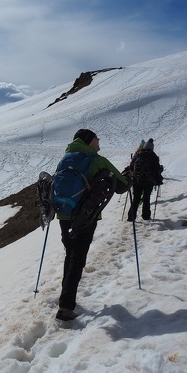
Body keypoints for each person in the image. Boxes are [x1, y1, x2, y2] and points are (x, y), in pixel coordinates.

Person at [55, 129, 132, 322]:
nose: (99, 142)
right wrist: (130, 177)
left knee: (70, 254)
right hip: (85, 216)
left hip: (64, 213)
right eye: (97, 139)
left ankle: (66, 295)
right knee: (78, 258)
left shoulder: (64, 159)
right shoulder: (96, 160)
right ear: (89, 141)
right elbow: (121, 186)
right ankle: (65, 307)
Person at [127, 138, 163, 222]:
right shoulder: (153, 156)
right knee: (146, 198)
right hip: (149, 181)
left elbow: (131, 167)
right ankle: (146, 216)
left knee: (136, 198)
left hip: (137, 180)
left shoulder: (138, 155)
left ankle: (131, 217)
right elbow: (157, 170)